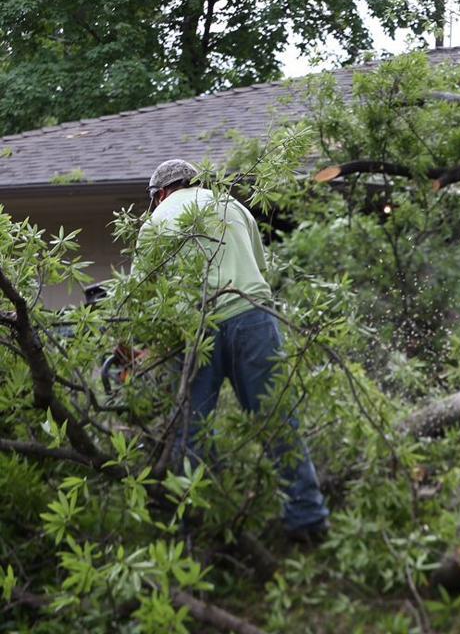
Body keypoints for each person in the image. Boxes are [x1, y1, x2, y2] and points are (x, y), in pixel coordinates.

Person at [140, 159, 330, 542]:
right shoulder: (234, 206)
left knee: (191, 435)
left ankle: (187, 534)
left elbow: (146, 297)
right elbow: (259, 270)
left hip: (194, 330)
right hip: (253, 318)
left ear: (160, 194)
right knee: (278, 420)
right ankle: (308, 522)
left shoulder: (155, 222)